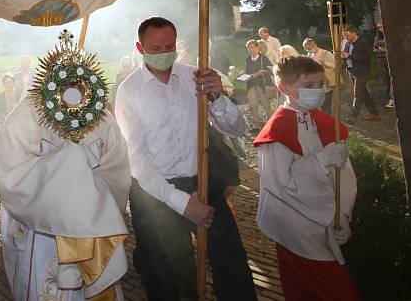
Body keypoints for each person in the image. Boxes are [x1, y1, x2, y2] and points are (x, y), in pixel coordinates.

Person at [115, 17, 256, 300]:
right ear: (140, 48)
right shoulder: (129, 92)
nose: (165, 54)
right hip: (155, 193)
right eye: (156, 49)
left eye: (170, 47)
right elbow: (137, 158)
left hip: (202, 183)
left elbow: (236, 128)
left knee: (232, 264)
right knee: (169, 276)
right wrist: (180, 202)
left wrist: (217, 96)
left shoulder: (196, 78)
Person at [0, 83, 131, 299]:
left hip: (93, 226)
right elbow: (9, 175)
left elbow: (117, 174)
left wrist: (89, 199)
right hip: (42, 232)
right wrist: (68, 165)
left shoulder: (100, 115)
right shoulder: (27, 113)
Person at [253, 56, 360, 300]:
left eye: (321, 84)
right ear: (283, 88)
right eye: (308, 85)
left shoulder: (324, 123)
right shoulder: (277, 130)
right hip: (297, 230)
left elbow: (343, 177)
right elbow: (281, 184)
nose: (318, 91)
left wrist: (342, 216)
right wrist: (321, 160)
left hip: (325, 222)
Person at [341, 25, 380, 122]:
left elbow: (366, 58)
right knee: (364, 93)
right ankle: (375, 113)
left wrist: (349, 56)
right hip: (352, 71)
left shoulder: (363, 43)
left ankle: (353, 116)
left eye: (348, 36)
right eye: (345, 36)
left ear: (354, 33)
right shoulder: (347, 43)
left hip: (362, 72)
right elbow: (346, 55)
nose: (346, 38)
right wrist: (342, 57)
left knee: (358, 93)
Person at [244, 39, 275, 133]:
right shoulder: (248, 58)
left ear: (257, 48)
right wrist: (243, 73)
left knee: (266, 106)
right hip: (251, 85)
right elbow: (247, 71)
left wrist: (261, 72)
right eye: (249, 48)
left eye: (252, 47)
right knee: (253, 105)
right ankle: (256, 125)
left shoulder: (263, 58)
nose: (251, 49)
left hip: (262, 85)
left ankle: (272, 125)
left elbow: (271, 70)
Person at [303, 38, 337, 114]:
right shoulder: (309, 54)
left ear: (314, 45)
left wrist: (323, 62)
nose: (308, 50)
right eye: (306, 49)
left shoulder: (326, 53)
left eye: (309, 48)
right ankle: (320, 120)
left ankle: (327, 120)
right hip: (315, 83)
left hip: (326, 82)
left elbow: (336, 65)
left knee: (326, 104)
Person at [373, 21, 393, 107]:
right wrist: (377, 50)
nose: (381, 29)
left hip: (388, 59)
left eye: (382, 27)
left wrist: (384, 50)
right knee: (384, 77)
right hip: (380, 59)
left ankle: (392, 97)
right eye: (379, 27)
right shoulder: (378, 37)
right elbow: (374, 47)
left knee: (391, 77)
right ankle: (387, 94)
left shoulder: (391, 35)